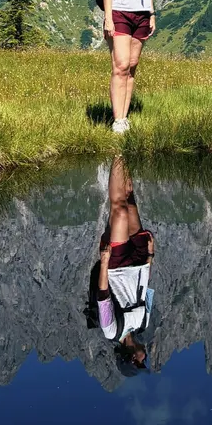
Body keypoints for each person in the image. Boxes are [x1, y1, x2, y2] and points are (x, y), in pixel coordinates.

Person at [88, 154, 155, 374]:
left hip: (116, 268)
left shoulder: (111, 331)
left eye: (142, 362)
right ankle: (126, 152)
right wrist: (150, 257)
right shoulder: (143, 324)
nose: (145, 357)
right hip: (138, 260)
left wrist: (105, 261)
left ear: (131, 359)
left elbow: (103, 296)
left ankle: (116, 150)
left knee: (119, 210)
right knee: (130, 199)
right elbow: (145, 290)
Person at [101, 0, 157, 134]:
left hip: (142, 15)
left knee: (132, 65)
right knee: (121, 65)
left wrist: (152, 14)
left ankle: (124, 117)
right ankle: (117, 120)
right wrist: (108, 18)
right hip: (121, 14)